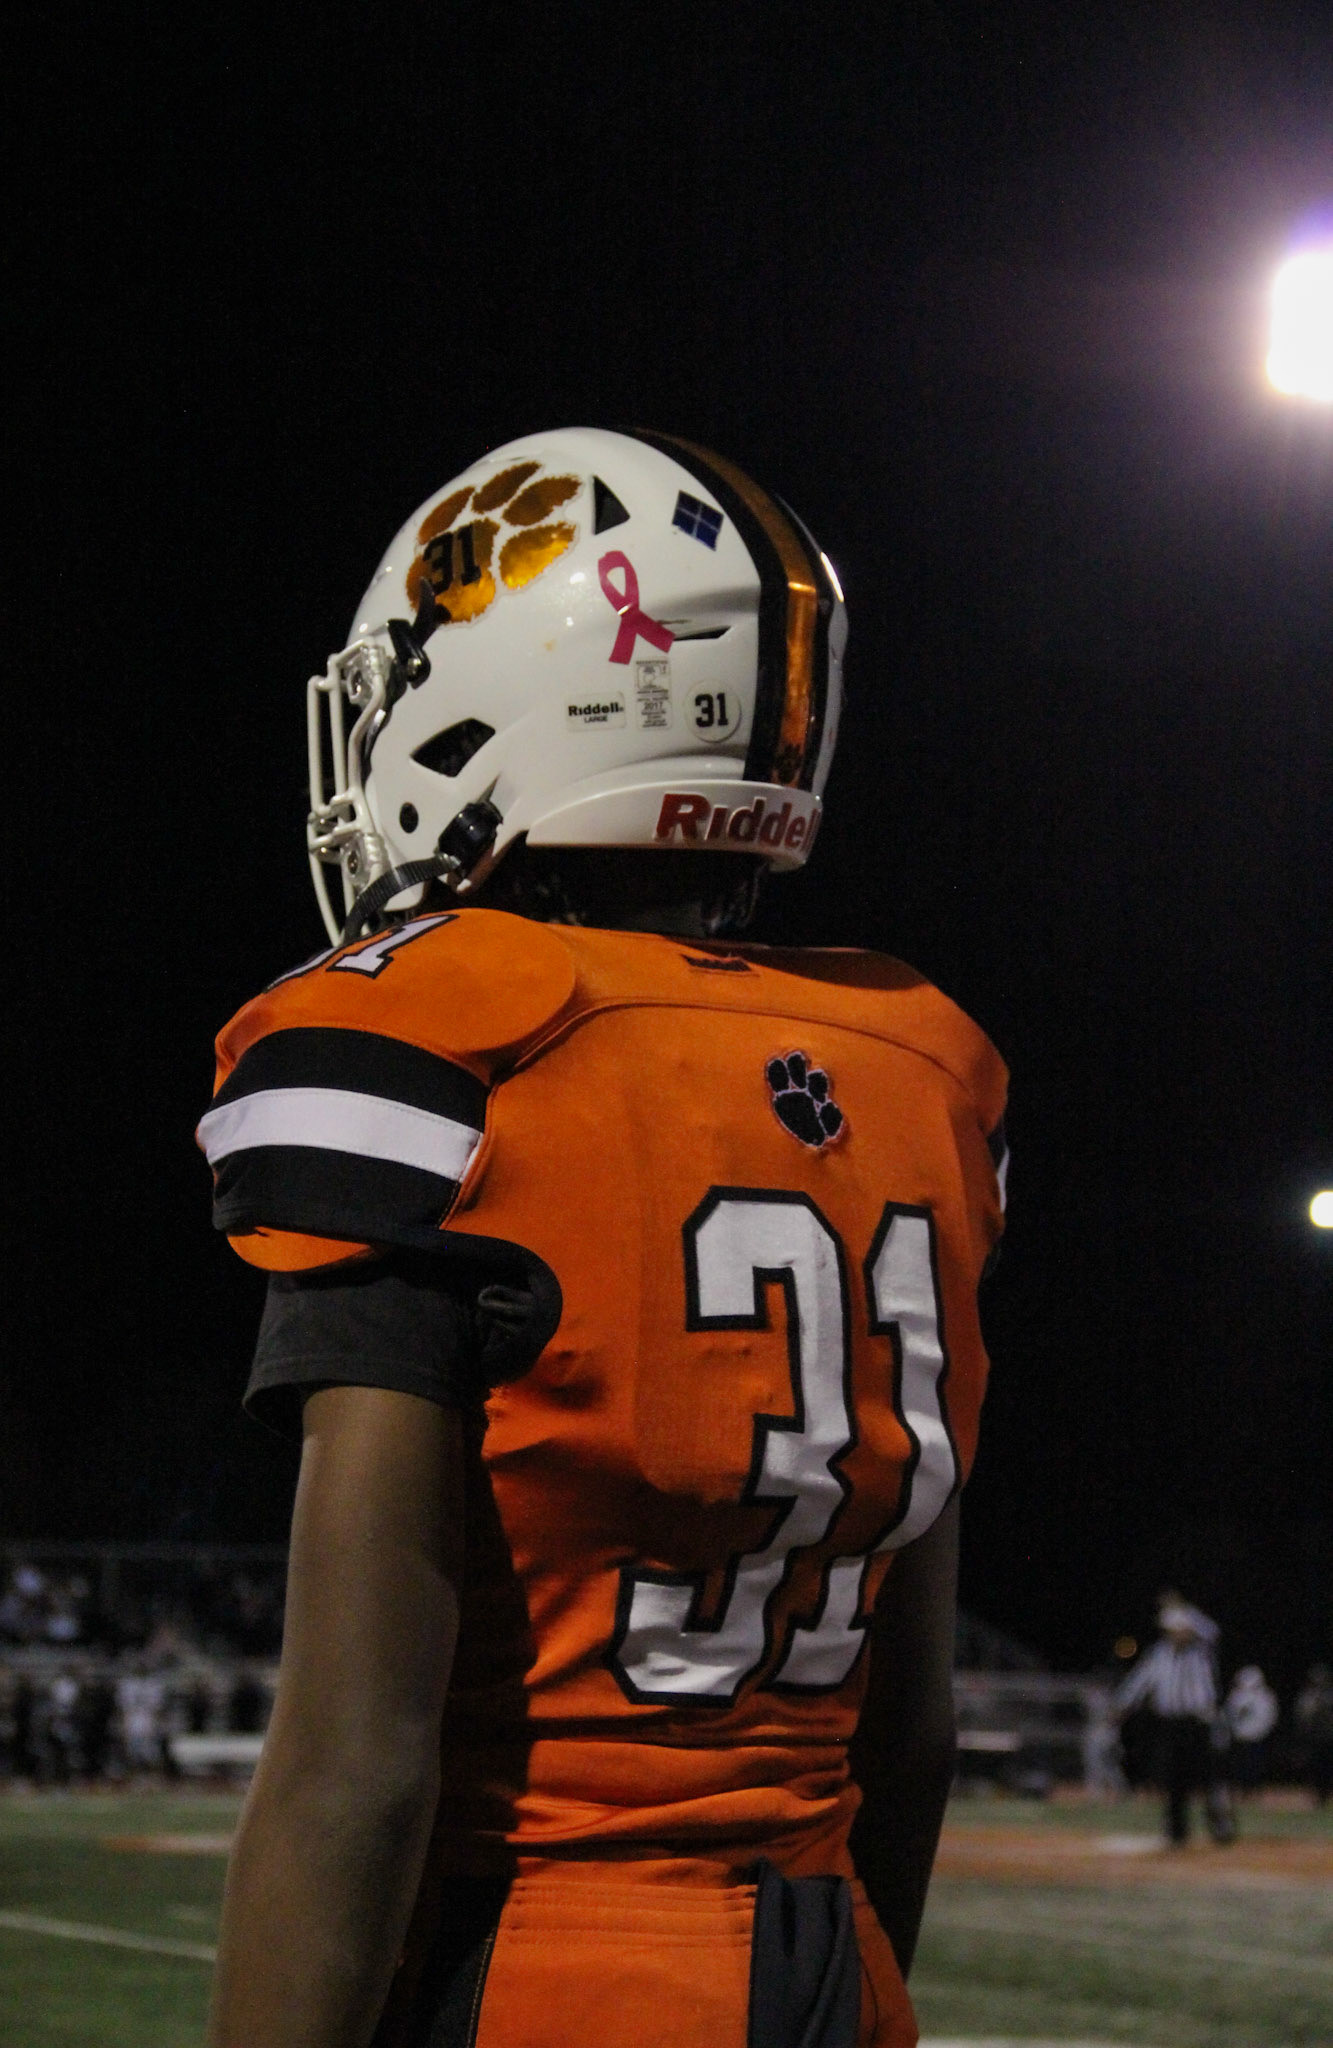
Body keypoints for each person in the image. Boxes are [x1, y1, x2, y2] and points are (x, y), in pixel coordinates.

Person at [199, 429, 1008, 2048]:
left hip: (542, 1959)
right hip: (833, 1955)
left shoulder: (438, 1049)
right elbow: (907, 1725)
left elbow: (358, 1763)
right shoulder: (922, 1073)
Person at [1113, 1592, 1234, 1847]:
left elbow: (1212, 1630)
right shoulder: (1160, 1654)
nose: (1177, 1634)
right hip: (1170, 1725)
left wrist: (1185, 1608)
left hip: (1198, 1722)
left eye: (1181, 1629)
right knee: (1173, 1778)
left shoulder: (1201, 1651)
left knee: (1209, 1777)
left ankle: (1220, 1825)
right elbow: (1140, 1680)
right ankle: (1177, 1831)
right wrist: (1122, 1705)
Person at [1224, 1664, 1278, 1795]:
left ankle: (1254, 1789)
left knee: (1255, 1765)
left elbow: (1270, 1716)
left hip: (1257, 1737)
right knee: (1240, 1765)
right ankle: (1242, 1789)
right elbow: (1229, 1715)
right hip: (1240, 1738)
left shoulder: (1265, 1696)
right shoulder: (1236, 1696)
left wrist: (1263, 1731)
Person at [1293, 1661, 1333, 1805]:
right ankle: (1318, 1794)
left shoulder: (1329, 1696)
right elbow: (1302, 1716)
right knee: (1315, 1767)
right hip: (1314, 1738)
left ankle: (1326, 1793)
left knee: (1328, 1766)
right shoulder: (1308, 1697)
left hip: (1328, 1737)